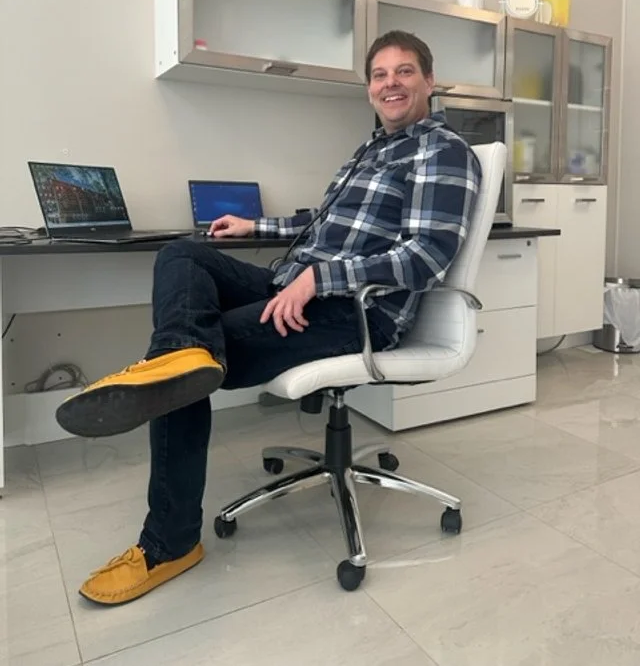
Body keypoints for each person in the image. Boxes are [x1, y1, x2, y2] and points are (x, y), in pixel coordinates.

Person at [56, 30, 481, 606]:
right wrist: (256, 227)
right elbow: (321, 224)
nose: (391, 83)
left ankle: (170, 543)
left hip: (355, 312)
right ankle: (180, 354)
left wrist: (318, 278)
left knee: (181, 380)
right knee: (182, 254)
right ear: (369, 89)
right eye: (380, 75)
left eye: (405, 72)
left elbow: (427, 255)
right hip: (295, 285)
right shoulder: (370, 150)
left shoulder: (442, 150)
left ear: (429, 81)